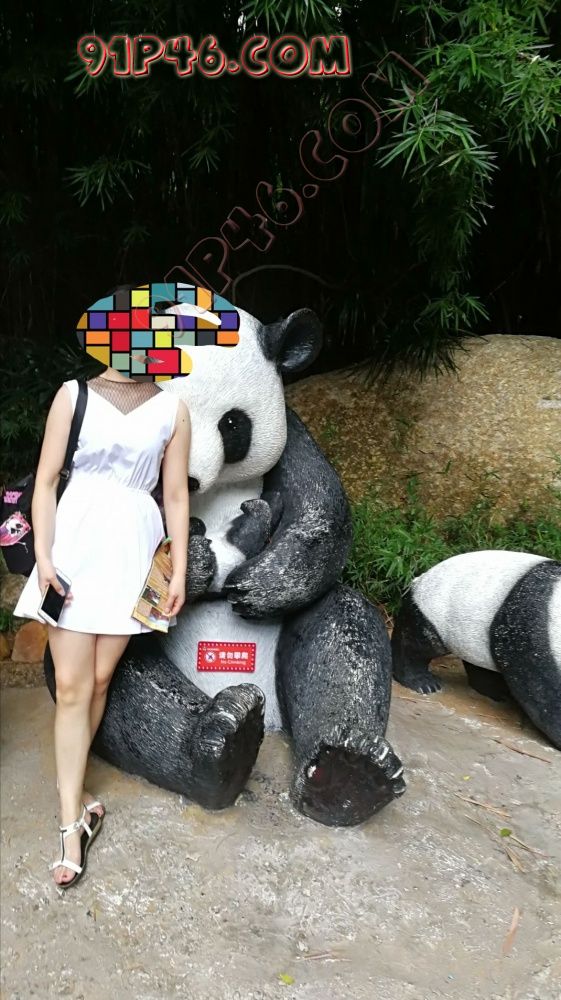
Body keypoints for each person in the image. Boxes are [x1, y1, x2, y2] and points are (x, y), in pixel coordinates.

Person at [13, 360, 191, 889]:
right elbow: (46, 482)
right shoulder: (72, 395)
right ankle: (71, 822)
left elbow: (175, 494)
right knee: (71, 685)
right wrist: (44, 557)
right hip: (73, 546)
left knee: (97, 680)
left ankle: (77, 793)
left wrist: (179, 568)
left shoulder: (174, 408)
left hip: (132, 552)